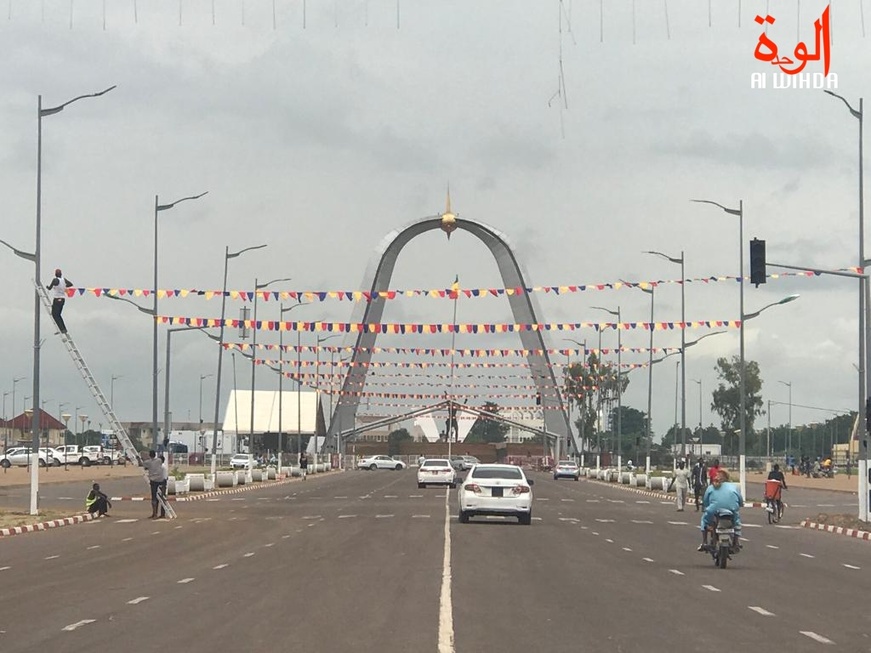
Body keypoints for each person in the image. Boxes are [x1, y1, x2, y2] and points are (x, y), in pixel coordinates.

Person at [698, 468, 743, 552]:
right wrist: (739, 505)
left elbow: (705, 501)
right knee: (737, 523)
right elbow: (740, 500)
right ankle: (736, 542)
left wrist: (707, 508)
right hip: (731, 510)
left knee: (704, 520)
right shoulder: (734, 487)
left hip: (714, 510)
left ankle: (704, 542)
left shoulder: (711, 487)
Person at [46, 268, 73, 334]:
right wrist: (64, 286)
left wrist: (48, 287)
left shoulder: (55, 280)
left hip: (57, 299)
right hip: (62, 299)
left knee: (54, 314)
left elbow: (50, 287)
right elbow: (70, 284)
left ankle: (61, 329)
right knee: (58, 315)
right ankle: (63, 329)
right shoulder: (64, 279)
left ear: (55, 274)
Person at [143, 450, 164, 519]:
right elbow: (162, 459)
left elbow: (143, 465)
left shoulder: (148, 462)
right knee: (162, 497)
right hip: (161, 480)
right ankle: (162, 513)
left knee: (154, 497)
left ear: (149, 455)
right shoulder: (159, 461)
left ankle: (154, 514)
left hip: (154, 480)